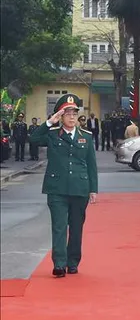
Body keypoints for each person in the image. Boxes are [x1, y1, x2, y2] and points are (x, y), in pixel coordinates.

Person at [29, 94, 98, 278]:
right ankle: (59, 263)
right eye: (67, 113)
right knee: (59, 227)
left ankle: (72, 261)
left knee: (76, 228)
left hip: (79, 188)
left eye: (74, 113)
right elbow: (33, 139)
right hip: (57, 188)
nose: (72, 117)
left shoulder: (86, 137)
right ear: (60, 115)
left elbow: (91, 164)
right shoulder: (52, 134)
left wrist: (93, 189)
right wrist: (50, 122)